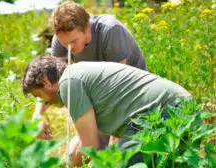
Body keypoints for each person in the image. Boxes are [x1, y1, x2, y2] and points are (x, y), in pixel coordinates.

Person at [22, 56, 192, 167]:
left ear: (46, 81)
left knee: (118, 164)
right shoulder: (78, 74)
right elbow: (86, 135)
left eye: (39, 95)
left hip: (163, 111)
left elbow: (90, 146)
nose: (44, 102)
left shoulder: (69, 83)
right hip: (180, 106)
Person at [33, 0, 147, 147]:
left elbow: (119, 87)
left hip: (133, 98)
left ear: (87, 28)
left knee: (116, 155)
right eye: (64, 44)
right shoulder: (62, 40)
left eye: (74, 41)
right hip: (99, 98)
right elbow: (50, 82)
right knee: (74, 156)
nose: (69, 48)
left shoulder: (110, 31)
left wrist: (113, 133)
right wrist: (37, 116)